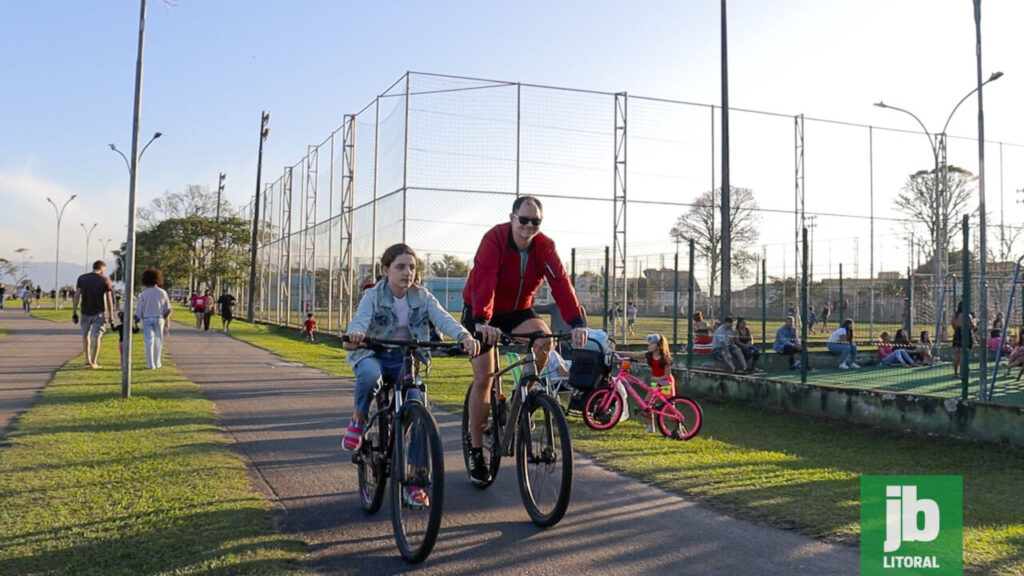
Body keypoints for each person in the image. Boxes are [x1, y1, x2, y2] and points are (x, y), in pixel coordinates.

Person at [462, 196, 587, 486]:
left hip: (518, 310)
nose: (529, 226)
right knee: (485, 378)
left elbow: (561, 284)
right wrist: (482, 320)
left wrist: (577, 323)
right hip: (481, 310)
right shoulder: (494, 238)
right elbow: (484, 279)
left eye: (536, 221)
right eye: (524, 220)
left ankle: (524, 398)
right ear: (513, 217)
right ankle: (476, 448)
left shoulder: (545, 246)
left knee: (544, 339)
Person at [344, 244, 480, 506]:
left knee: (418, 409)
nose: (407, 272)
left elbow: (443, 319)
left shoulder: (423, 296)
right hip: (374, 355)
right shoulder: (374, 295)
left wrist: (464, 335)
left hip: (406, 360)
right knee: (371, 377)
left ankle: (416, 479)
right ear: (386, 270)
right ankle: (359, 418)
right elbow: (361, 320)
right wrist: (356, 335)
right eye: (400, 267)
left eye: (412, 267)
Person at [619, 333, 675, 432]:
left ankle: (678, 428)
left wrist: (658, 379)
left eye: (652, 344)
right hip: (655, 381)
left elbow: (667, 375)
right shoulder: (649, 356)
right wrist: (618, 352)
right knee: (646, 405)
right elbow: (634, 355)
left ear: (659, 345)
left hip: (665, 382)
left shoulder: (664, 358)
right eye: (649, 344)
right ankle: (650, 426)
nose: (649, 346)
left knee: (670, 408)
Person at [71, 260, 115, 370]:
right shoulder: (104, 279)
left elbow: (77, 295)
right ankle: (94, 362)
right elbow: (109, 299)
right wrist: (111, 314)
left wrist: (74, 311)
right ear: (102, 268)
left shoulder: (82, 278)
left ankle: (87, 359)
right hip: (99, 311)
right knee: (96, 336)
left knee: (85, 335)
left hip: (85, 311)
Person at [133, 268, 172, 370]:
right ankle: (157, 362)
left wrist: (136, 320)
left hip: (146, 319)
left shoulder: (143, 294)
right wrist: (165, 319)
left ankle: (150, 364)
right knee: (158, 341)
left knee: (148, 341)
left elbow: (139, 310)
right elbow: (168, 309)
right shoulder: (163, 292)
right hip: (159, 318)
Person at [951, 301, 976, 379]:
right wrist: (974, 322)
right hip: (965, 334)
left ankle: (956, 373)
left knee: (957, 354)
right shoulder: (967, 315)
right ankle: (963, 373)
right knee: (964, 354)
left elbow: (953, 325)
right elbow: (972, 326)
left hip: (957, 334)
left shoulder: (955, 315)